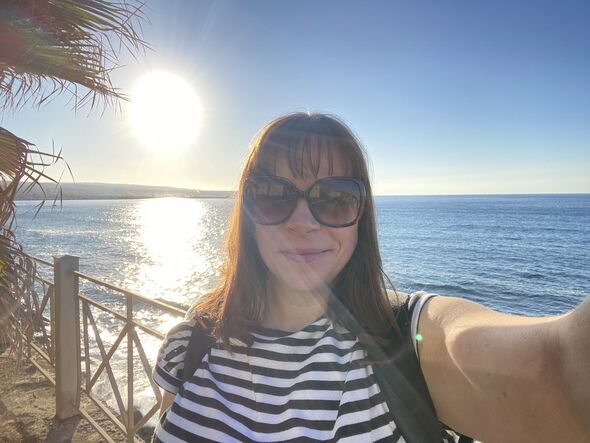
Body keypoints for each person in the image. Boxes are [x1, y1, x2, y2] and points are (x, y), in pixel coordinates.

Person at [152, 112, 589, 442]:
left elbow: (557, 364)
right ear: (246, 215)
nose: (303, 222)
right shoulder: (192, 342)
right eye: (273, 195)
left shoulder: (405, 344)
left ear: (361, 216)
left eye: (334, 198)